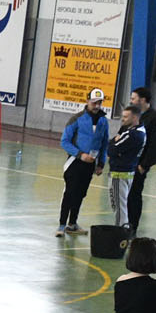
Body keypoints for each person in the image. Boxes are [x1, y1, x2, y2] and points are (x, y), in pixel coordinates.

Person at [58, 89, 110, 237]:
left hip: (90, 165)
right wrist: (80, 155)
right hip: (74, 163)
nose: (97, 106)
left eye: (99, 103)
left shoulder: (103, 121)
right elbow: (64, 141)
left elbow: (104, 143)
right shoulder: (76, 119)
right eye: (94, 102)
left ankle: (72, 224)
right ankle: (62, 225)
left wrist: (101, 164)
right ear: (88, 101)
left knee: (80, 194)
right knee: (69, 193)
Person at [108, 106, 148, 229]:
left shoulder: (133, 134)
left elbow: (111, 149)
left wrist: (113, 143)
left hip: (119, 174)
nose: (122, 119)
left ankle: (121, 233)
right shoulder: (137, 130)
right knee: (120, 207)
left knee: (119, 209)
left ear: (134, 117)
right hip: (127, 172)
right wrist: (115, 143)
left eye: (125, 117)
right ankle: (122, 230)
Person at [129, 87, 156, 234]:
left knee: (134, 194)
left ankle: (132, 226)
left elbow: (153, 145)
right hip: (127, 162)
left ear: (143, 100)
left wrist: (144, 165)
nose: (131, 101)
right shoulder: (134, 115)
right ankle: (124, 223)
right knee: (125, 194)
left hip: (139, 164)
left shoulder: (153, 118)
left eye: (133, 98)